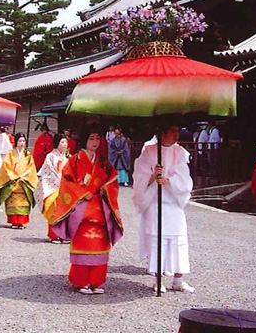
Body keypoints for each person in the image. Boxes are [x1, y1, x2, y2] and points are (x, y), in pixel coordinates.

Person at [51, 126, 123, 294]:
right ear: (85, 140)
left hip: (101, 209)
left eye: (98, 139)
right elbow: (66, 182)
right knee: (84, 244)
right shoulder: (75, 160)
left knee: (99, 246)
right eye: (92, 138)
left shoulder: (104, 163)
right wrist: (83, 192)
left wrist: (104, 189)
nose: (95, 142)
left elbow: (113, 181)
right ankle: (81, 281)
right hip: (82, 209)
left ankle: (97, 281)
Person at [132, 122, 195, 293]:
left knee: (178, 240)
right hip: (156, 202)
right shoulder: (149, 151)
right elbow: (139, 175)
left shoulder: (180, 152)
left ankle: (178, 279)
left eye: (177, 131)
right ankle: (158, 278)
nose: (176, 135)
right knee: (158, 241)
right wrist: (152, 177)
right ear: (162, 133)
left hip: (174, 202)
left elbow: (184, 177)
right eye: (173, 131)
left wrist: (170, 181)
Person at [0, 133, 38, 229]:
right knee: (13, 202)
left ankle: (21, 222)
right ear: (16, 142)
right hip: (13, 181)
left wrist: (24, 176)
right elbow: (6, 166)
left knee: (23, 202)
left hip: (24, 181)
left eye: (23, 141)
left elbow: (31, 168)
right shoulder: (10, 154)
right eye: (20, 141)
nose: (22, 143)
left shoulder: (27, 155)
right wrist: (14, 176)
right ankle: (14, 222)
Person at [34, 133, 69, 241]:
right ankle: (54, 235)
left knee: (66, 210)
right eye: (62, 142)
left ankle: (64, 234)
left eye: (65, 142)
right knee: (53, 207)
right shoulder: (50, 156)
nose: (64, 144)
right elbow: (48, 171)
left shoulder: (68, 157)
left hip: (65, 187)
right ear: (57, 143)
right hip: (52, 186)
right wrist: (59, 179)